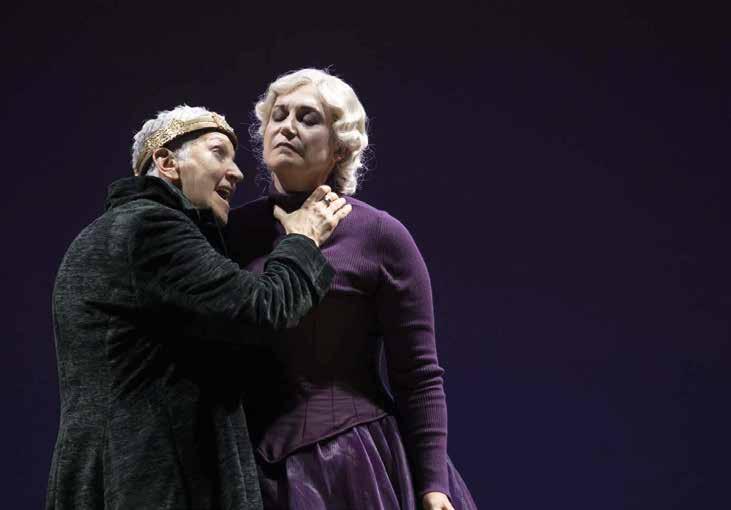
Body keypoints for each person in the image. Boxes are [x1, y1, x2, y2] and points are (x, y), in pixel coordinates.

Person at [46, 105, 351, 510]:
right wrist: (303, 241)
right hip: (150, 487)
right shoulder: (150, 229)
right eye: (218, 152)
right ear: (167, 162)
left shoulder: (112, 231)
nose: (237, 173)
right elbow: (263, 309)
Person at [227, 70, 477, 509]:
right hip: (247, 472)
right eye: (278, 116)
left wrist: (433, 485)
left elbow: (418, 374)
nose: (287, 127)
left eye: (307, 118)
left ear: (340, 146)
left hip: (353, 465)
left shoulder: (379, 235)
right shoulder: (231, 232)